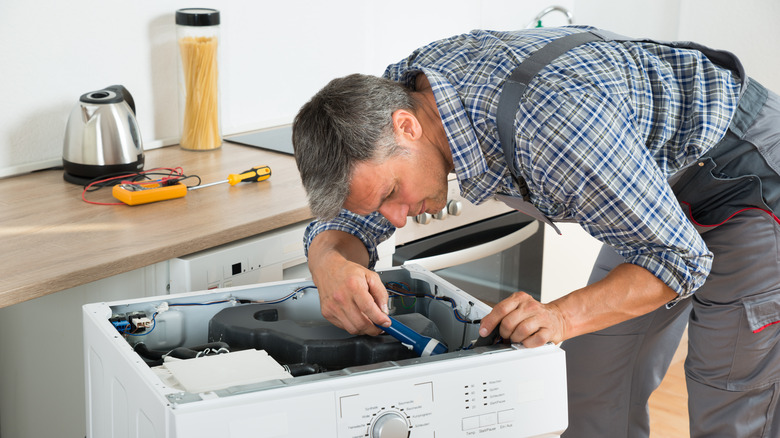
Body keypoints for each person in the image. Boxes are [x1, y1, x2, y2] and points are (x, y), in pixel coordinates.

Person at [291, 25, 780, 438]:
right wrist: (331, 263)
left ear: (407, 127)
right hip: (643, 187)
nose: (394, 219)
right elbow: (352, 218)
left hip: (743, 175)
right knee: (589, 391)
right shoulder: (403, 98)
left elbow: (677, 257)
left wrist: (561, 317)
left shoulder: (552, 127)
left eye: (393, 194)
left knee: (729, 401)